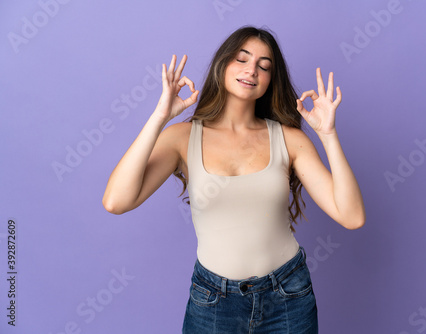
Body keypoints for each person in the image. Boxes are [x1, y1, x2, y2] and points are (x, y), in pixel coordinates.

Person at [102, 25, 365, 333]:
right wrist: (160, 116)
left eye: (263, 66)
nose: (251, 70)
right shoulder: (182, 138)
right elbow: (116, 201)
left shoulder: (290, 140)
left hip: (287, 296)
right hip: (213, 301)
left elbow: (351, 216)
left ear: (269, 80)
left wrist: (328, 135)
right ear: (223, 64)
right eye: (242, 59)